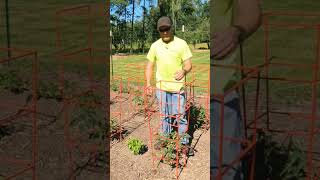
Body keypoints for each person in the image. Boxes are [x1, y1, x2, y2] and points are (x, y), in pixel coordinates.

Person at [210, 0, 261, 179]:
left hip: (221, 91)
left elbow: (251, 10)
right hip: (195, 88)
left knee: (226, 171)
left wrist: (236, 30)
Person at [145, 16, 193, 154]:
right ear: (158, 31)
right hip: (161, 88)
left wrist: (184, 71)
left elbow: (189, 64)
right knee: (164, 115)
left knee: (180, 115)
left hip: (177, 88)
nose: (165, 32)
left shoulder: (181, 44)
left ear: (172, 28)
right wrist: (148, 83)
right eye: (162, 30)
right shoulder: (155, 46)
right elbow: (149, 66)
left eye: (167, 29)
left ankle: (184, 143)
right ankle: (164, 139)